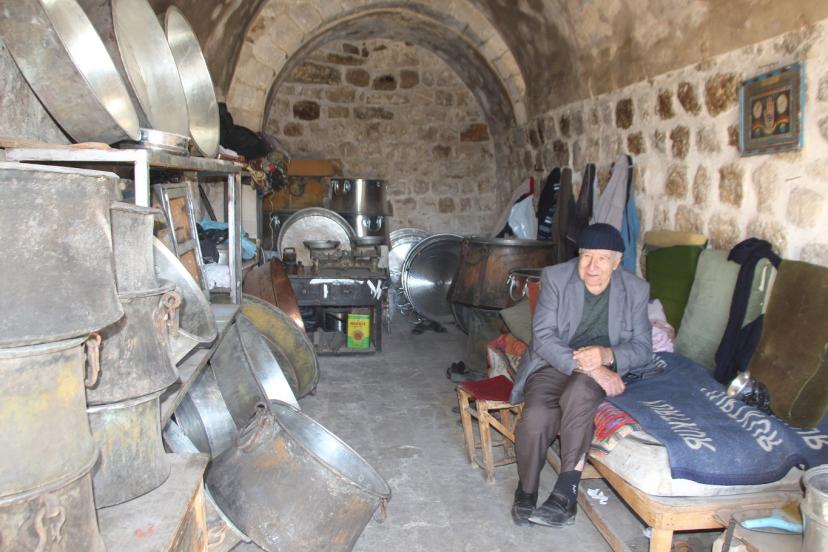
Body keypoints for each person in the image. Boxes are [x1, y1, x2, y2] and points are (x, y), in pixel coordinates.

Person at [509, 223, 652, 527]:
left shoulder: (636, 290)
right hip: (554, 362)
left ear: (617, 263)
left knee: (578, 392)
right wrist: (592, 367)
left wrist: (606, 356)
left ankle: (565, 495)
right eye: (586, 256)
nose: (592, 266)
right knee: (535, 416)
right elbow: (544, 336)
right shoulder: (556, 278)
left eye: (602, 259)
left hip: (595, 371)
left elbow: (643, 349)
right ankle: (527, 490)